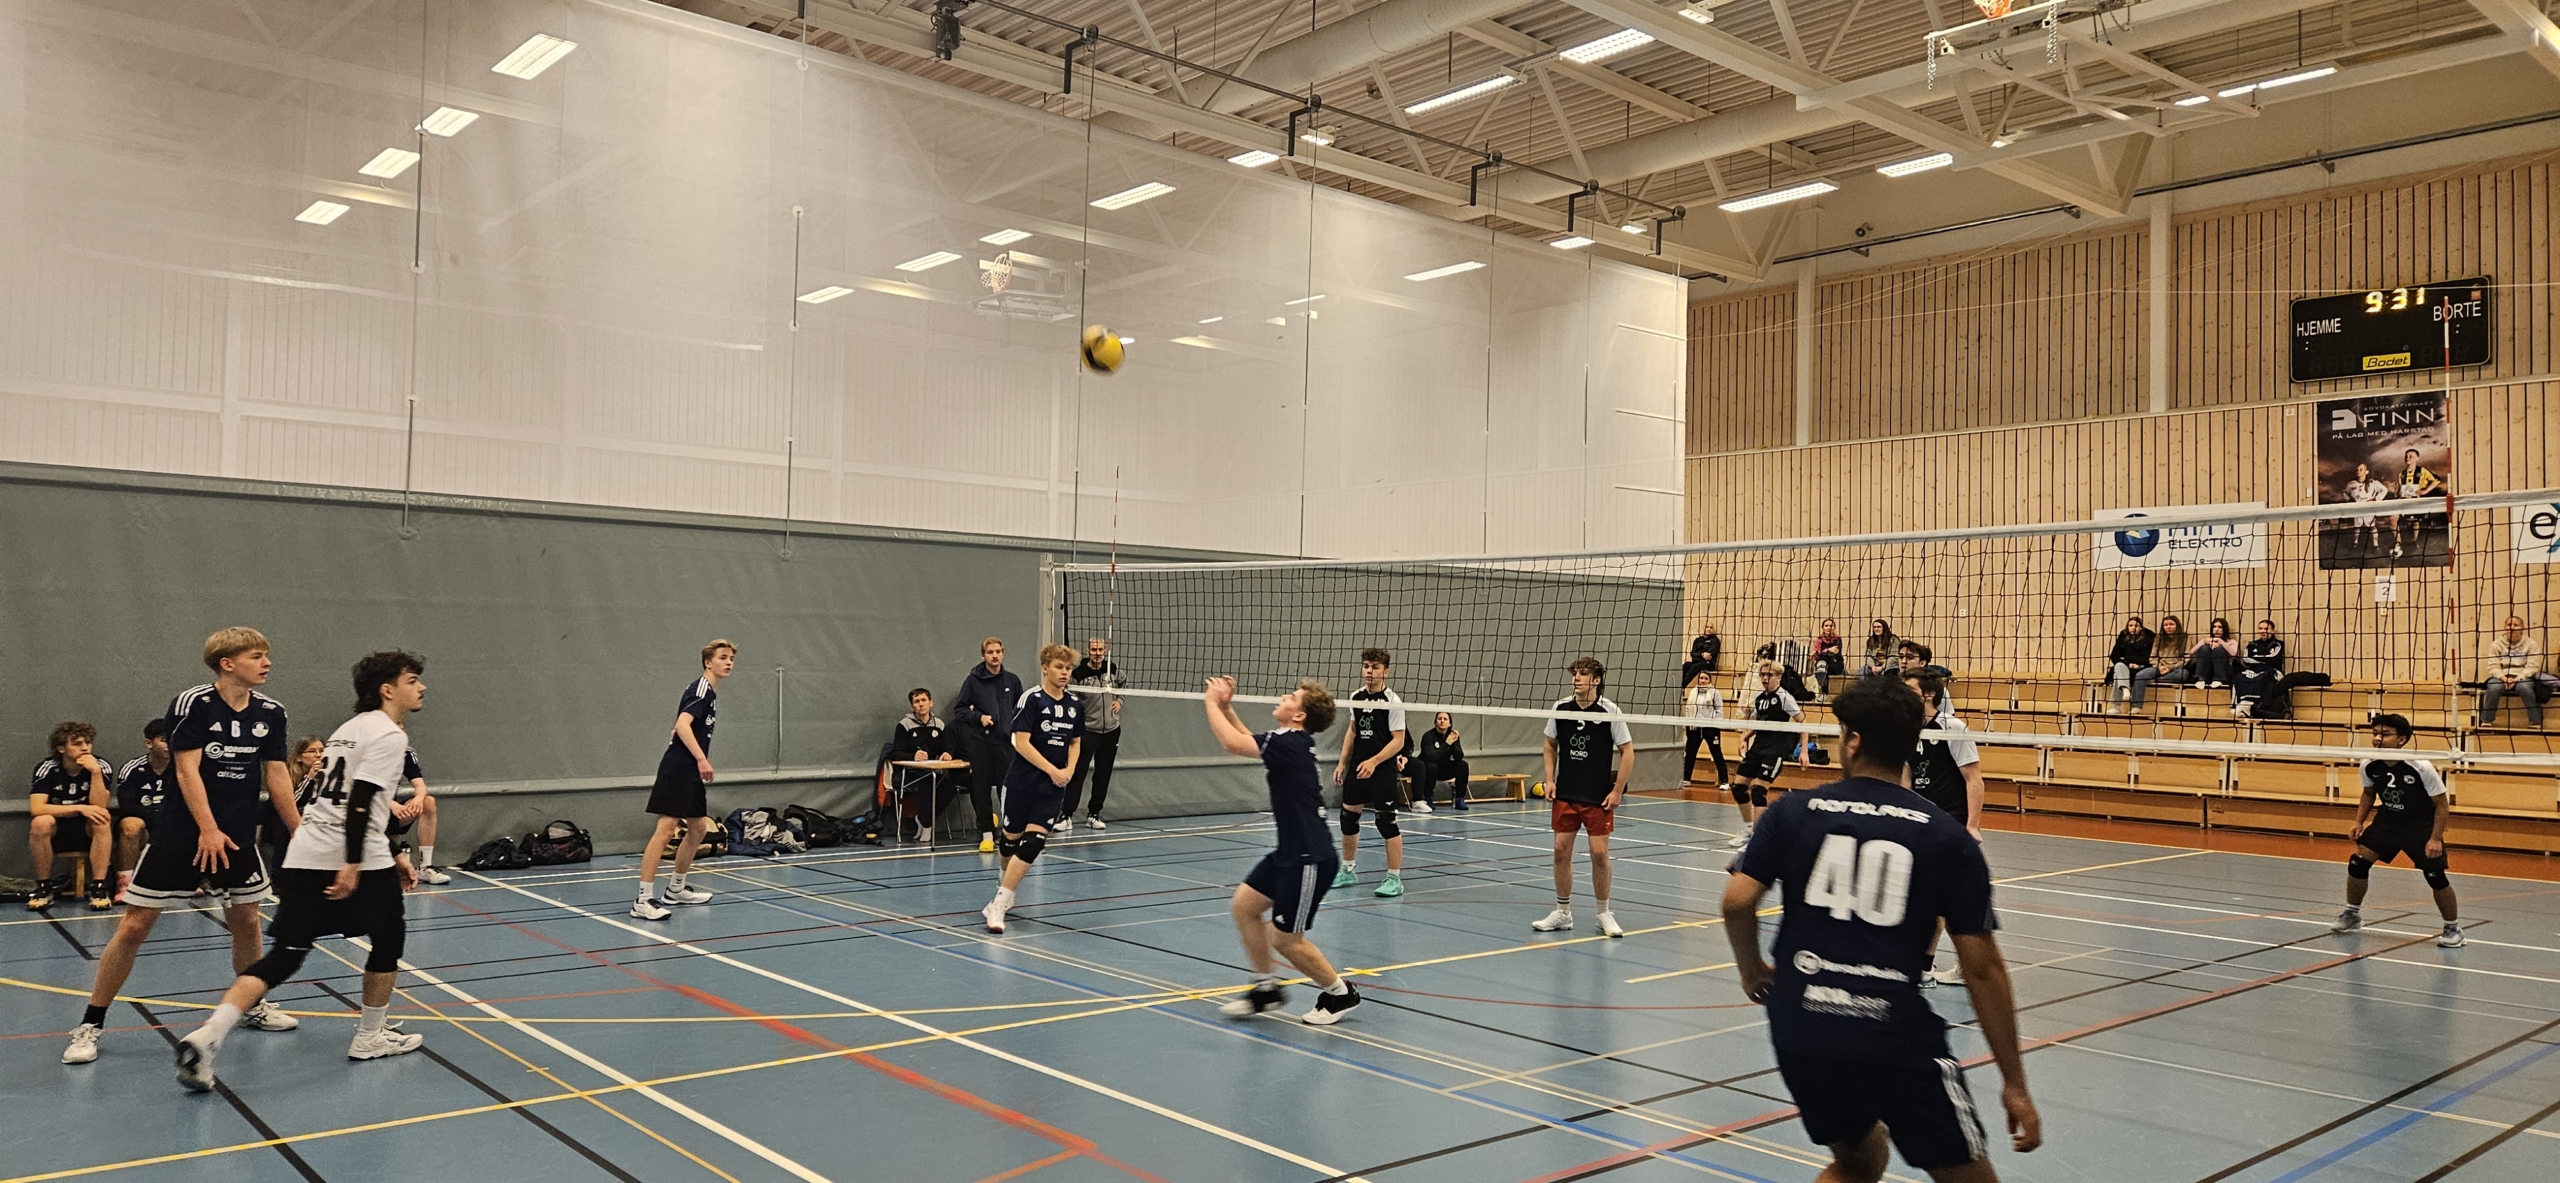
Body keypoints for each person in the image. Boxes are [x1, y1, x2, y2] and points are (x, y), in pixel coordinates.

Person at [1721, 677, 2041, 1183]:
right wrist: (2014, 1082)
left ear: (1853, 741)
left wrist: (1751, 970)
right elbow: (1982, 970)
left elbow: (1737, 902)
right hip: (1891, 1036)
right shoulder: (1947, 839)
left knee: (1859, 1161)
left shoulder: (1793, 812)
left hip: (1802, 1025)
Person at [174, 651, 430, 1092]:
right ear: (388, 690)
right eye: (412, 680)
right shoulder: (389, 735)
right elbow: (360, 803)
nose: (421, 687)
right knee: (389, 937)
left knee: (287, 953)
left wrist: (392, 854)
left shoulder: (349, 730)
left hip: (304, 852)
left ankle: (209, 1034)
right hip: (352, 856)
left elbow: (339, 800)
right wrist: (355, 862)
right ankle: (370, 1036)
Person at [65, 627, 304, 1068]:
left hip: (236, 833)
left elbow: (276, 775)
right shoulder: (193, 703)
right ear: (227, 663)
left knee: (247, 921)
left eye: (266, 655)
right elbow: (186, 771)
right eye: (257, 656)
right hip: (181, 833)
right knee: (134, 926)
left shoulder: (271, 712)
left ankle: (252, 1004)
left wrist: (300, 832)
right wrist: (207, 829)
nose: (267, 662)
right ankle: (91, 1023)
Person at [1206, 675, 1362, 1025]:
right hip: (1290, 853)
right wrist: (1227, 709)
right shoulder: (1288, 741)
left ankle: (1341, 994)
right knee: (1245, 906)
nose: (1283, 697)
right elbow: (1247, 740)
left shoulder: (1289, 742)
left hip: (1309, 859)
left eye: (1291, 696)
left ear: (1300, 715)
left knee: (1286, 939)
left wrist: (1211, 702)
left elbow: (1232, 743)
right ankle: (1265, 989)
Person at [2333, 714, 2463, 948]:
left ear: (2401, 740)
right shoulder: (2369, 763)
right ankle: (2352, 914)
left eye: (2385, 734)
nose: (2377, 738)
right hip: (2389, 821)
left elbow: (2442, 805)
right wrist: (2358, 822)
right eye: (2375, 733)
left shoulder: (2420, 766)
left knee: (2435, 876)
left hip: (2420, 825)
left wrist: (2435, 838)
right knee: (2358, 863)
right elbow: (2369, 793)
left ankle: (2453, 928)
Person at [982, 644, 1084, 934]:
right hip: (1022, 782)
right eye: (1059, 667)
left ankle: (999, 903)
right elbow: (1021, 743)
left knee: (1034, 842)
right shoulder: (1032, 699)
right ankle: (1004, 885)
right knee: (1009, 841)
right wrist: (1051, 769)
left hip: (1052, 788)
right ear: (1045, 668)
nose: (1064, 673)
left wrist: (1069, 771)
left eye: (1068, 668)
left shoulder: (1075, 705)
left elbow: (1075, 742)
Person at [1531, 658, 1635, 938]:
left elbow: (1628, 751)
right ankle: (1563, 912)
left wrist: (1617, 790)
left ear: (1596, 680)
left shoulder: (1610, 711)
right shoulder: (1561, 707)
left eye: (1583, 674)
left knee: (1599, 854)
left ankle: (1603, 913)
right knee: (1560, 850)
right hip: (1566, 792)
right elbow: (1549, 745)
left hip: (1597, 796)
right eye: (1575, 673)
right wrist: (1549, 779)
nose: (1576, 678)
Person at [632, 639, 733, 921]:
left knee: (698, 829)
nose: (728, 662)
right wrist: (701, 759)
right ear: (708, 662)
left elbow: (680, 728)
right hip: (679, 769)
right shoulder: (701, 689)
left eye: (731, 659)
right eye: (722, 657)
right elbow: (682, 724)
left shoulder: (709, 693)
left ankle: (675, 889)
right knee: (665, 831)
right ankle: (642, 900)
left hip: (691, 773)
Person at [1905, 671, 1987, 990]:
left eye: (1910, 690)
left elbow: (1973, 778)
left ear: (1928, 695)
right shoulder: (1907, 729)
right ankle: (1936, 965)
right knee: (1934, 898)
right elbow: (1906, 778)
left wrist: (1972, 825)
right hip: (1919, 821)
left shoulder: (1952, 727)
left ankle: (1923, 967)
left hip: (1950, 821)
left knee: (1938, 897)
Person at [1333, 648, 1408, 899]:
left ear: (1385, 672)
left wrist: (1374, 762)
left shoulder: (1393, 701)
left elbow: (1399, 740)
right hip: (1358, 766)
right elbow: (1352, 731)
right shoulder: (1356, 696)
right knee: (1348, 818)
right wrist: (1342, 763)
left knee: (1386, 822)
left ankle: (1394, 878)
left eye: (1375, 667)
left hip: (1382, 768)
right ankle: (1347, 870)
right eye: (1366, 666)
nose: (1369, 671)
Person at [27, 722, 116, 911]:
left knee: (102, 819)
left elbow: (99, 805)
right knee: (40, 822)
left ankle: (98, 887)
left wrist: (96, 773)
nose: (85, 747)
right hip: (58, 826)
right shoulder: (47, 768)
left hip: (86, 827)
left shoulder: (101, 766)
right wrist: (80, 808)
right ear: (61, 748)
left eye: (88, 742)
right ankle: (44, 887)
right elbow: (37, 807)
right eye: (77, 743)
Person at [951, 638, 1024, 854]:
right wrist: (979, 718)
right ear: (983, 655)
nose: (994, 655)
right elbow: (960, 709)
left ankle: (1012, 834)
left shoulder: (1013, 680)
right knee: (981, 789)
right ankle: (987, 834)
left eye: (998, 651)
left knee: (1008, 790)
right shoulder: (973, 681)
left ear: (1003, 653)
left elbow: (1020, 709)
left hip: (1005, 745)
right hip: (980, 743)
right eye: (990, 652)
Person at [1731, 661, 1804, 850]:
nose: (1765, 678)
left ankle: (1757, 838)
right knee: (1738, 788)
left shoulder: (1785, 698)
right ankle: (1749, 829)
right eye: (1762, 675)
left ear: (1778, 677)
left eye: (1769, 675)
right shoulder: (1759, 698)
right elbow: (1758, 722)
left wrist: (1804, 751)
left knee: (1758, 791)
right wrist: (1744, 737)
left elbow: (1803, 723)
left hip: (1775, 751)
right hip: (1758, 748)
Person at [1061, 637, 1125, 832]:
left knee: (1102, 775)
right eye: (1094, 650)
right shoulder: (1079, 674)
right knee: (1077, 773)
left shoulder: (1112, 669)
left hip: (1111, 731)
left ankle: (1094, 814)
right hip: (1088, 731)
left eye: (1100, 650)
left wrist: (1119, 700)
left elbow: (1123, 684)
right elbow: (1070, 697)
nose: (1098, 653)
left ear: (1105, 651)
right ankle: (1066, 816)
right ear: (1088, 652)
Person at [112, 718, 175, 894]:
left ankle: (186, 879)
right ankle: (125, 884)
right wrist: (156, 821)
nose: (169, 745)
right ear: (149, 743)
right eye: (164, 740)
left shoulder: (183, 767)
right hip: (145, 824)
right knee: (131, 825)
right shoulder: (132, 768)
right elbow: (127, 806)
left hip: (171, 824)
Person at [888, 687, 950, 841]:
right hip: (907, 774)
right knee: (925, 785)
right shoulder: (904, 725)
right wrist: (912, 757)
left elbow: (946, 748)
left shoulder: (939, 724)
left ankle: (923, 819)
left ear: (931, 703)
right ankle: (927, 826)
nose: (921, 704)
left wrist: (948, 753)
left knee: (949, 787)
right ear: (912, 706)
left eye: (924, 700)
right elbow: (895, 753)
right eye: (917, 701)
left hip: (931, 772)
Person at [388, 750, 451, 886]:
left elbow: (420, 785)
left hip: (390, 814)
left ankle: (425, 867)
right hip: (367, 812)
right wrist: (391, 804)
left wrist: (419, 798)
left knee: (428, 802)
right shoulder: (368, 751)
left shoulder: (405, 753)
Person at [2478, 616, 2543, 727]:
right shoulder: (2496, 644)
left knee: (2524, 688)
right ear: (2505, 627)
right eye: (2509, 625)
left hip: (2523, 677)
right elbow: (2493, 666)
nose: (2512, 627)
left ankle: (2535, 721)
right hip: (2502, 676)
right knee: (2494, 687)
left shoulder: (2531, 644)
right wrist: (2504, 678)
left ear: (2522, 628)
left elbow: (2532, 667)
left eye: (2516, 625)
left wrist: (2517, 679)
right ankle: (2487, 720)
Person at [1682, 669, 1730, 790]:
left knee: (1716, 754)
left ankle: (1724, 781)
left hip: (1710, 728)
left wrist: (1715, 725)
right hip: (1695, 728)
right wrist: (1688, 723)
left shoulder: (1714, 693)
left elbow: (1719, 710)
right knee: (1690, 754)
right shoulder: (1693, 692)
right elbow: (1688, 709)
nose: (1702, 680)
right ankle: (1686, 779)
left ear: (1709, 680)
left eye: (1705, 678)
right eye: (1701, 678)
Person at [2392, 448, 2444, 558]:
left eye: (2411, 456)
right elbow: (2399, 490)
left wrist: (2425, 491)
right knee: (2392, 519)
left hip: (2416, 501)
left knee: (2415, 522)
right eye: (2406, 456)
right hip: (2403, 502)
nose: (2408, 458)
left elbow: (2436, 480)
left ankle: (2414, 541)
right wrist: (2396, 493)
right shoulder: (2401, 474)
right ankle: (2398, 543)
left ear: (2417, 458)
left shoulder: (2422, 471)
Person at [1413, 712, 1470, 811]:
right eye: (1439, 719)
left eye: (1445, 719)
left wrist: (1453, 743)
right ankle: (1428, 798)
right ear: (1435, 722)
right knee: (1432, 766)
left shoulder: (1452, 736)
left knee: (1462, 765)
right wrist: (1447, 743)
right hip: (1427, 769)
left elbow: (1459, 757)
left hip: (1443, 768)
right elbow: (1431, 756)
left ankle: (1460, 799)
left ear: (1450, 723)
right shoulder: (1428, 736)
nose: (1442, 721)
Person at [2231, 620, 2284, 717]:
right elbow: (2246, 659)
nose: (2263, 631)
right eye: (2260, 628)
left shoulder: (2278, 644)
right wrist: (2264, 658)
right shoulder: (2252, 644)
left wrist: (2256, 657)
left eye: (2266, 628)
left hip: (2272, 670)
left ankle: (2253, 706)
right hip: (2254, 670)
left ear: (2272, 631)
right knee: (2239, 676)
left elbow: (2274, 658)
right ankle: (2239, 705)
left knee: (2263, 677)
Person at [2105, 616, 2157, 713]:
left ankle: (2117, 706)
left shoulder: (2148, 637)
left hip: (2142, 667)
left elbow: (2147, 658)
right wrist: (2129, 663)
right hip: (2126, 667)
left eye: (2136, 626)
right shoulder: (2123, 636)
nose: (2133, 628)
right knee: (2119, 666)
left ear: (2141, 627)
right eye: (2131, 625)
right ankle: (2125, 689)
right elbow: (2114, 656)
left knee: (2118, 675)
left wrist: (2127, 659)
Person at [2345, 462, 2391, 554]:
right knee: (2357, 526)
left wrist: (2376, 499)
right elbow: (2345, 492)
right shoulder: (2352, 484)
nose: (2358, 471)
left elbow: (2384, 490)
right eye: (2357, 470)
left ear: (2366, 472)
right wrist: (2349, 500)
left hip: (2369, 508)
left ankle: (2375, 545)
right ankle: (2355, 544)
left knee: (2372, 526)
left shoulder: (2372, 483)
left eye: (2361, 469)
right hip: (2357, 508)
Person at [2186, 618, 2240, 688]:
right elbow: (2192, 652)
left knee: (2218, 649)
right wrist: (2205, 642)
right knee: (2204, 648)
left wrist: (2220, 642)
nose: (2216, 629)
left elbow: (2234, 654)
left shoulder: (2232, 642)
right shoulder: (2207, 640)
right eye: (2214, 627)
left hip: (2224, 671)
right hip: (2208, 671)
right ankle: (2201, 678)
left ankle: (2219, 678)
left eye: (2220, 627)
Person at [2149, 616, 2197, 687]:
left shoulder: (2185, 638)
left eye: (2171, 624)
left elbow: (2186, 658)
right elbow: (2152, 657)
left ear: (2177, 626)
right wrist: (2160, 666)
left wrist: (2170, 668)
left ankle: (2158, 680)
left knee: (2183, 674)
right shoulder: (2158, 639)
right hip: (2159, 668)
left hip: (2177, 668)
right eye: (2166, 625)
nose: (2168, 627)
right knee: (2141, 675)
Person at [1811, 620, 1848, 698]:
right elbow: (1817, 657)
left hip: (1835, 662)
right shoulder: (1819, 639)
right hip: (1823, 662)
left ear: (1834, 628)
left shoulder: (1837, 638)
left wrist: (1819, 652)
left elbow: (1834, 652)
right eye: (1826, 626)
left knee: (1829, 666)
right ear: (1822, 627)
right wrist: (1826, 651)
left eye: (1831, 626)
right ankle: (1823, 692)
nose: (1829, 628)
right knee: (1822, 664)